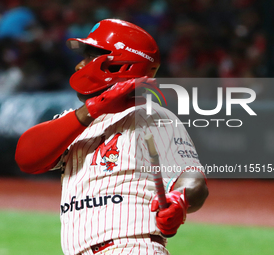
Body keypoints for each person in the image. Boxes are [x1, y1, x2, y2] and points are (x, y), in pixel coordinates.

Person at [15, 19, 208, 255]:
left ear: (116, 65)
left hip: (131, 248)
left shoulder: (153, 116)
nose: (79, 67)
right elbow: (26, 157)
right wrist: (94, 109)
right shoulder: (76, 120)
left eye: (89, 57)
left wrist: (180, 198)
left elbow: (193, 178)